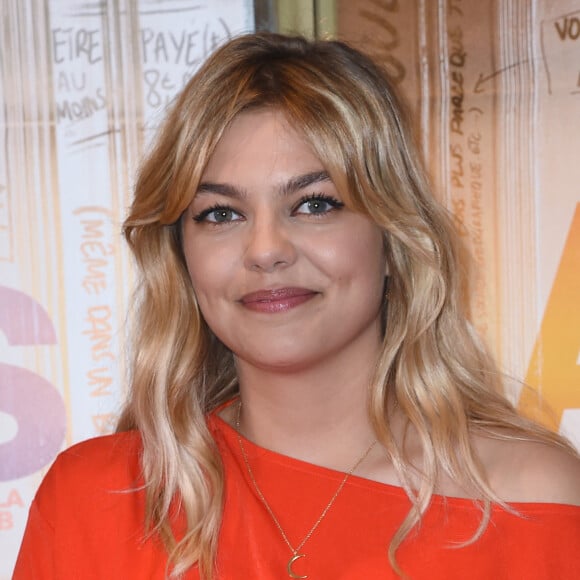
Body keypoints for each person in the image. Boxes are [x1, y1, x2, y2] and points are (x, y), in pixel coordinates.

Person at [14, 32, 580, 580]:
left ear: (392, 238)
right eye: (220, 214)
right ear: (181, 256)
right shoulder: (96, 499)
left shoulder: (531, 500)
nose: (265, 250)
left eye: (314, 204)